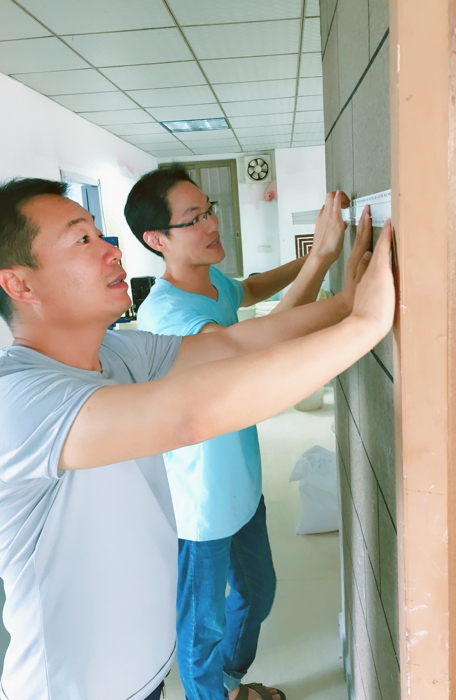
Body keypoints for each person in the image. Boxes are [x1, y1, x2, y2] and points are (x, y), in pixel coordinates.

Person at [0, 176, 394, 700]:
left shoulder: (116, 352)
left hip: (143, 676)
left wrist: (346, 303)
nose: (113, 250)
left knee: (250, 592)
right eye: (82, 239)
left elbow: (233, 346)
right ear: (20, 285)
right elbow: (192, 415)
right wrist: (366, 323)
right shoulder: (19, 400)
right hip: (71, 692)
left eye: (100, 233)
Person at [125, 166, 373, 700]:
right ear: (157, 239)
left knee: (258, 593)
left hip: (240, 481)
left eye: (209, 209)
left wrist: (315, 255)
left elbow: (253, 288)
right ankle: (211, 693)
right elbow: (249, 351)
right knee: (202, 629)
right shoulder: (165, 312)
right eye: (194, 219)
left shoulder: (211, 280)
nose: (212, 224)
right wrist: (326, 266)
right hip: (200, 502)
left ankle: (230, 682)